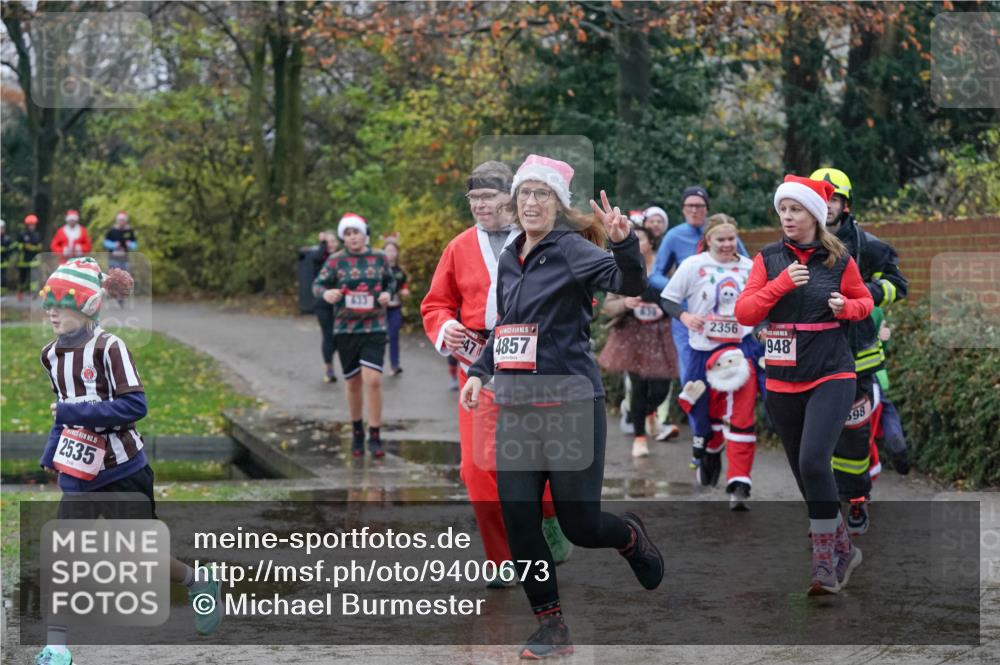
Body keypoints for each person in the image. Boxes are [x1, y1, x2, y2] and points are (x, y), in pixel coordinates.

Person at [461, 155, 664, 658]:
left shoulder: (573, 249)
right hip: (517, 407)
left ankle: (630, 537)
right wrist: (478, 372)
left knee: (580, 524)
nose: (531, 203)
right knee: (519, 520)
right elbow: (508, 325)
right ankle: (552, 626)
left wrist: (622, 242)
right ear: (514, 202)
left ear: (557, 204)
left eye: (542, 195)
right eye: (525, 194)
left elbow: (630, 284)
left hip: (570, 401)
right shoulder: (511, 256)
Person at [34, 257, 221, 665]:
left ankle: (198, 580)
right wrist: (51, 457)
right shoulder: (51, 356)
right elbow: (63, 409)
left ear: (87, 307)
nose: (52, 312)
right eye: (49, 303)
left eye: (62, 305)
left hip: (123, 470)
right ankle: (57, 646)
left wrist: (72, 416)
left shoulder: (110, 348)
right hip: (78, 475)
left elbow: (135, 406)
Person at [421, 160, 571, 588]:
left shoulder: (543, 240)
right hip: (478, 365)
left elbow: (579, 299)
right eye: (473, 199)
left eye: (488, 197)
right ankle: (501, 557)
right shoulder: (459, 247)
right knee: (475, 467)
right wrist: (446, 328)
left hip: (537, 365)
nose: (480, 206)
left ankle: (550, 519)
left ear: (512, 195)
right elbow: (435, 304)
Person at [735, 174, 873, 595]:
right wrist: (780, 284)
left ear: (814, 214)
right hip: (782, 377)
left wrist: (846, 307)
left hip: (831, 371)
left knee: (815, 461)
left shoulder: (840, 259)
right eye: (783, 209)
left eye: (795, 210)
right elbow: (744, 311)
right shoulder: (769, 258)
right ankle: (842, 546)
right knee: (803, 473)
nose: (787, 217)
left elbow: (865, 301)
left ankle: (822, 563)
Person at [809, 167, 908, 535]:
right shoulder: (794, 245)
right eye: (821, 197)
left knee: (853, 433)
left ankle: (855, 500)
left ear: (845, 205)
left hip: (857, 356)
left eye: (834, 198)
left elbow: (898, 284)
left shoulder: (869, 246)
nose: (827, 204)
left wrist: (864, 294)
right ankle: (821, 505)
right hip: (809, 358)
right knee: (814, 436)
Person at [658, 214, 760, 506]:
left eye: (731, 239)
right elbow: (668, 299)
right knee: (702, 411)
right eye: (721, 239)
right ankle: (711, 447)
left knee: (742, 416)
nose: (727, 245)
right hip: (702, 352)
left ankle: (740, 482)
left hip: (741, 351)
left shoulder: (749, 268)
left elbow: (764, 303)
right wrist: (686, 316)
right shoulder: (693, 265)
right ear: (708, 240)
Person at [313, 213, 396, 457]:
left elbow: (390, 282)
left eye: (356, 232)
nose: (353, 238)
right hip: (346, 328)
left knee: (373, 380)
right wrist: (326, 294)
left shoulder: (379, 257)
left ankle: (375, 434)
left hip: (375, 327)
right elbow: (317, 285)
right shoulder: (336, 261)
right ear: (343, 238)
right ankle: (357, 431)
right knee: (353, 382)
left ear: (364, 234)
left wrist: (386, 295)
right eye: (347, 234)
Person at [598, 225, 679, 458]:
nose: (636, 244)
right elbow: (608, 307)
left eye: (640, 239)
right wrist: (625, 304)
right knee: (639, 387)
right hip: (632, 335)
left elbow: (682, 294)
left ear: (652, 242)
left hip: (663, 334)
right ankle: (640, 438)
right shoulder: (622, 268)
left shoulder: (668, 268)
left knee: (662, 388)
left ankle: (649, 412)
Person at [310, 230, 340, 383]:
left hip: (340, 304)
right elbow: (316, 258)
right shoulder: (320, 258)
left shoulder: (342, 258)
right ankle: (329, 368)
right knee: (328, 335)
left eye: (333, 241)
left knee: (339, 337)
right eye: (327, 242)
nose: (330, 245)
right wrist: (322, 244)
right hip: (323, 304)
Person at [382, 236, 410, 376]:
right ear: (383, 252)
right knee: (380, 337)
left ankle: (395, 365)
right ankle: (376, 365)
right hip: (380, 310)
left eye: (393, 250)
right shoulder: (379, 270)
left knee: (393, 335)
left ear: (397, 253)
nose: (391, 253)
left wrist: (405, 290)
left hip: (395, 308)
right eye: (388, 250)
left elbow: (404, 284)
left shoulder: (400, 271)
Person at [17, 213, 43, 300]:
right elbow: (22, 246)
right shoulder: (22, 234)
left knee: (34, 279)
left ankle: (34, 293)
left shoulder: (37, 234)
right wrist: (28, 247)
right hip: (23, 261)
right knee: (22, 279)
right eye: (30, 225)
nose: (32, 226)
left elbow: (39, 246)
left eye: (33, 224)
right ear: (27, 225)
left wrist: (31, 247)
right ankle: (21, 292)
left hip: (34, 260)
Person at [0, 219, 11, 296]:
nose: (1, 230)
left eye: (2, 228)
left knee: (3, 279)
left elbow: (9, 250)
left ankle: (2, 295)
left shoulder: (6, 239)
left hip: (3, 263)